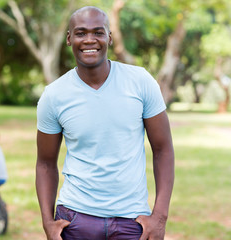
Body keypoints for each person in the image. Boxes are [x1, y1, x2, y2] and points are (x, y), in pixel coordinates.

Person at [36, 6, 174, 240]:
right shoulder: (54, 95)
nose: (90, 40)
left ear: (109, 37)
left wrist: (159, 217)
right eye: (81, 33)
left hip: (132, 222)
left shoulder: (140, 82)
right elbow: (46, 163)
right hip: (75, 220)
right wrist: (48, 222)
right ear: (69, 39)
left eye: (98, 32)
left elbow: (163, 149)